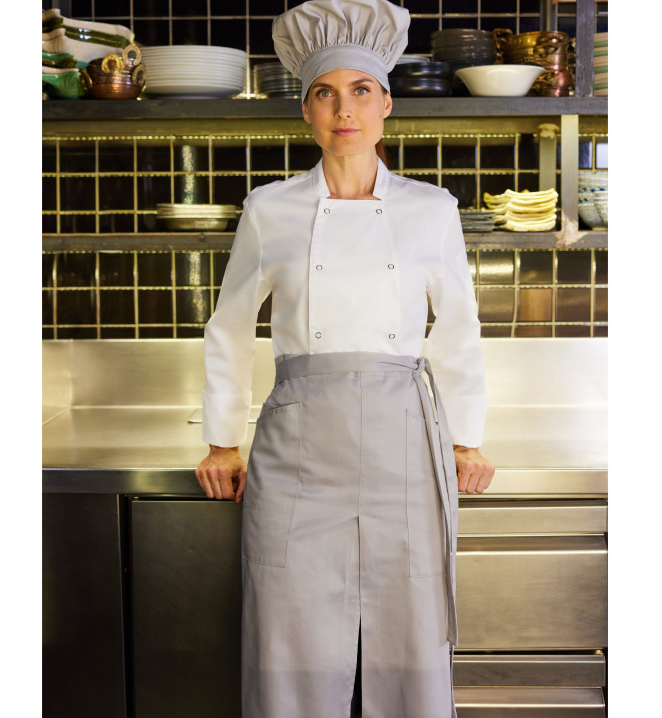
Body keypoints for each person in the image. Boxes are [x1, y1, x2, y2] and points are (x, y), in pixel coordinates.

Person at [195, 1, 494, 715]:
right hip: (300, 455)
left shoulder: (432, 208)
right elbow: (230, 326)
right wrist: (221, 441)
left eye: (361, 90)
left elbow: (457, 328)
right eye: (325, 94)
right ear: (306, 111)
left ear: (386, 103)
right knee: (288, 647)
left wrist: (465, 438)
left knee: (410, 645)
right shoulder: (270, 208)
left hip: (403, 450)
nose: (344, 110)